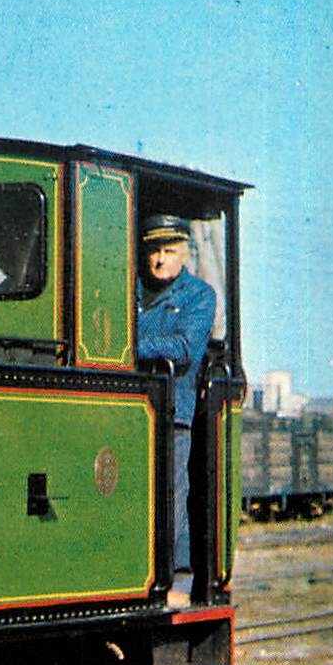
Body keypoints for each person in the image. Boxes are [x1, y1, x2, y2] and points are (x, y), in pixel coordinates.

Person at [136, 214, 216, 610]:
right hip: (128, 407)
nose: (159, 260)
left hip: (173, 410)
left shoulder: (200, 297)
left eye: (169, 251)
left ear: (185, 253)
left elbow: (185, 349)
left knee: (172, 494)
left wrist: (134, 343)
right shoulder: (129, 290)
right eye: (153, 250)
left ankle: (179, 579)